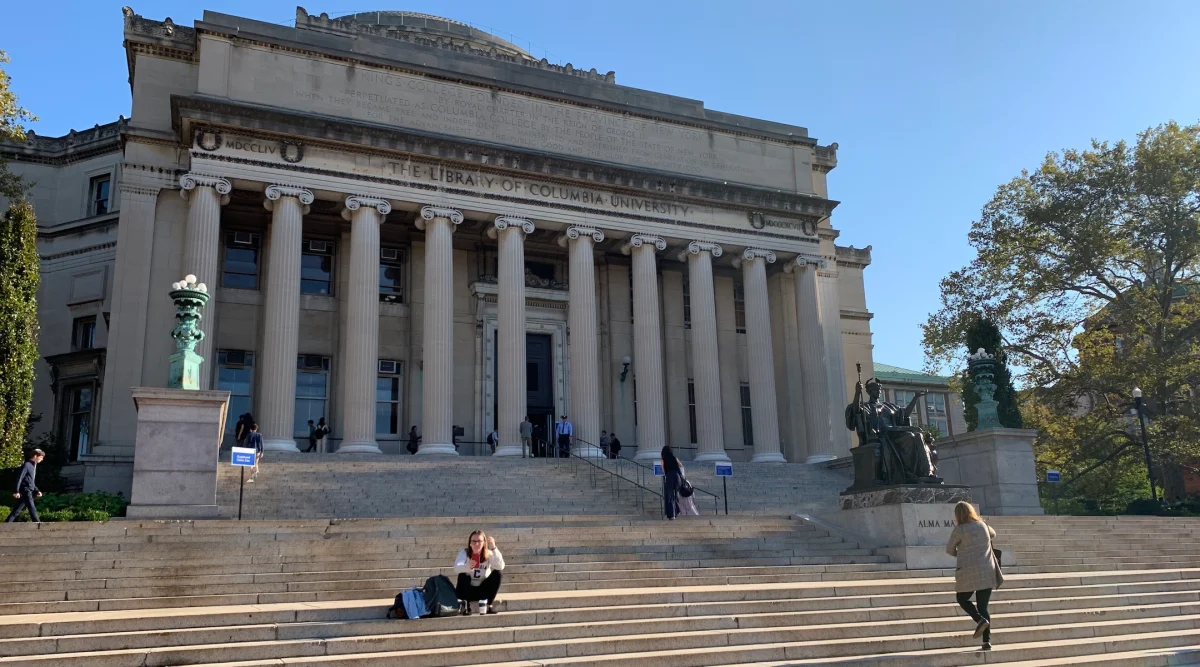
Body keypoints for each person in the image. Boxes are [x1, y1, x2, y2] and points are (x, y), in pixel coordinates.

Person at [946, 501, 1002, 651]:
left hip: (968, 571)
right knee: (983, 606)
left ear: (957, 515)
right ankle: (986, 641)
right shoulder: (982, 525)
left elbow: (950, 549)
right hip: (987, 570)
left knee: (962, 598)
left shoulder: (960, 529)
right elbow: (993, 534)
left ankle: (979, 620)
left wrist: (963, 553)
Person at [453, 530, 505, 615]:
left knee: (498, 574)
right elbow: (456, 568)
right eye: (473, 541)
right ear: (470, 543)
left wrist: (494, 548)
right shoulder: (464, 553)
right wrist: (468, 567)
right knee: (463, 574)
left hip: (482, 590)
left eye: (479, 541)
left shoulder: (489, 553)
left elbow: (500, 566)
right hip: (467, 590)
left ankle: (489, 605)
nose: (476, 544)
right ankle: (466, 606)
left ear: (484, 543)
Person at [5, 449, 45, 523]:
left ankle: (7, 523)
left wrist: (37, 490)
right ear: (35, 456)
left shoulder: (33, 466)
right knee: (31, 507)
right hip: (25, 490)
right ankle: (37, 523)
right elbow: (19, 478)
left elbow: (31, 481)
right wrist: (16, 491)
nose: (42, 459)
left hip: (29, 490)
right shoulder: (27, 465)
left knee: (17, 510)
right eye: (41, 457)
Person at [661, 446, 682, 520]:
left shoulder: (663, 460)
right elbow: (681, 466)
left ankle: (672, 514)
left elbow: (663, 470)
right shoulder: (674, 458)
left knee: (669, 496)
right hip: (677, 477)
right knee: (675, 494)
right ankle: (677, 510)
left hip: (669, 477)